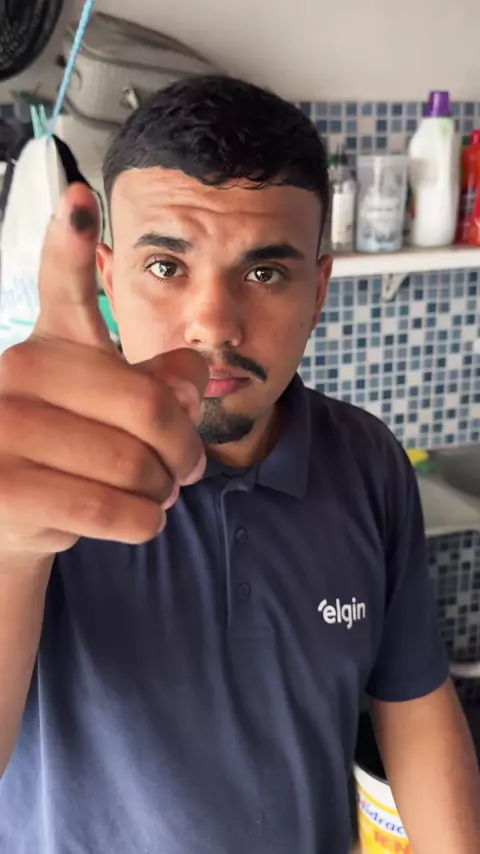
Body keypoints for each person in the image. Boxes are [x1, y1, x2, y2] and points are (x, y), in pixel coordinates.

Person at [0, 75, 479, 854]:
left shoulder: (368, 461)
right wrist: (12, 547)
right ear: (108, 276)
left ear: (317, 291)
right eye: (166, 267)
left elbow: (415, 704)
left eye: (265, 273)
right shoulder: (36, 472)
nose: (213, 323)